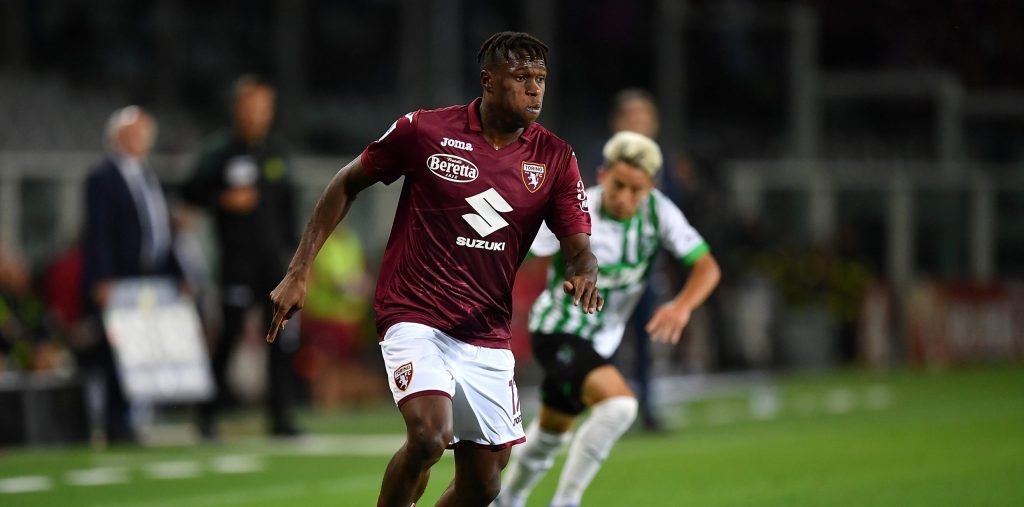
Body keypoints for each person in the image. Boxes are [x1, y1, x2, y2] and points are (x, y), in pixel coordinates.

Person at [266, 31, 603, 507]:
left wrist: (584, 272)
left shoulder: (555, 158)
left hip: (485, 329)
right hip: (414, 312)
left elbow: (579, 247)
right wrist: (299, 270)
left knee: (484, 483)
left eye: (541, 78)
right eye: (521, 77)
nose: (535, 89)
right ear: (488, 81)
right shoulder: (425, 130)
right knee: (428, 436)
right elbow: (346, 183)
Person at [494, 132, 721, 507]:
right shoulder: (573, 209)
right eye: (618, 185)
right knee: (621, 406)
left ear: (651, 187)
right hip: (558, 328)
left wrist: (681, 306)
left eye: (637, 189)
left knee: (552, 432)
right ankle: (566, 501)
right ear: (601, 175)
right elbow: (515, 251)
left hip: (602, 340)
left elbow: (707, 266)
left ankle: (507, 499)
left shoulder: (659, 213)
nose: (625, 197)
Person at [183, 75, 300, 438]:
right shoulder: (220, 152)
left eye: (263, 107)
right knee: (230, 334)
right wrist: (221, 199)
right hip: (236, 261)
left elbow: (289, 209)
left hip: (274, 264)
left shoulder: (276, 154)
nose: (256, 114)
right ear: (237, 109)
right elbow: (189, 190)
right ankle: (207, 414)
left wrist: (296, 259)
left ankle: (281, 417)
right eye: (251, 106)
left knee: (281, 338)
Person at [81, 106, 181, 443]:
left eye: (146, 134)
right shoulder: (102, 177)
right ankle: (115, 421)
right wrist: (102, 278)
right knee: (116, 350)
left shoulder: (147, 175)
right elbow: (99, 232)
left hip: (150, 276)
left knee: (141, 349)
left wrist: (175, 272)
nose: (143, 140)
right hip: (120, 278)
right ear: (118, 137)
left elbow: (159, 230)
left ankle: (133, 416)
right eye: (136, 133)